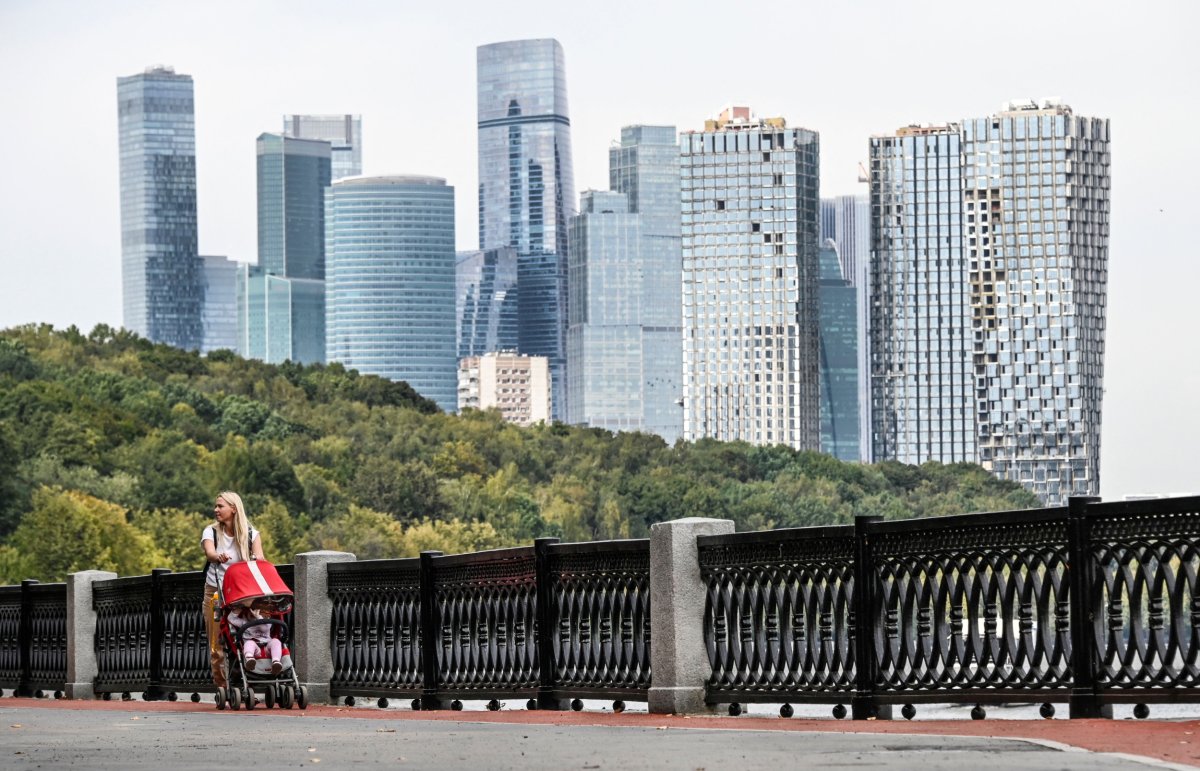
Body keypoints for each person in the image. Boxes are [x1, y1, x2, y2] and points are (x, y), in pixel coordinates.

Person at [201, 491, 264, 690]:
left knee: (247, 636)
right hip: (216, 592)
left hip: (244, 594)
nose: (216, 510)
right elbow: (210, 553)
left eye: (220, 506)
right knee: (217, 643)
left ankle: (245, 683)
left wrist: (256, 561)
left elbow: (261, 559)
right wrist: (217, 556)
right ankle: (223, 688)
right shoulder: (210, 531)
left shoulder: (251, 533)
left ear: (234, 509)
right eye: (216, 506)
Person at [229, 603, 283, 675]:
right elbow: (231, 619)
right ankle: (250, 659)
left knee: (276, 642)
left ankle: (276, 662)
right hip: (254, 650)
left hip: (267, 647)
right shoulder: (244, 622)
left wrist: (258, 617)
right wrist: (238, 609)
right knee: (249, 643)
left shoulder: (267, 622)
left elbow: (265, 628)